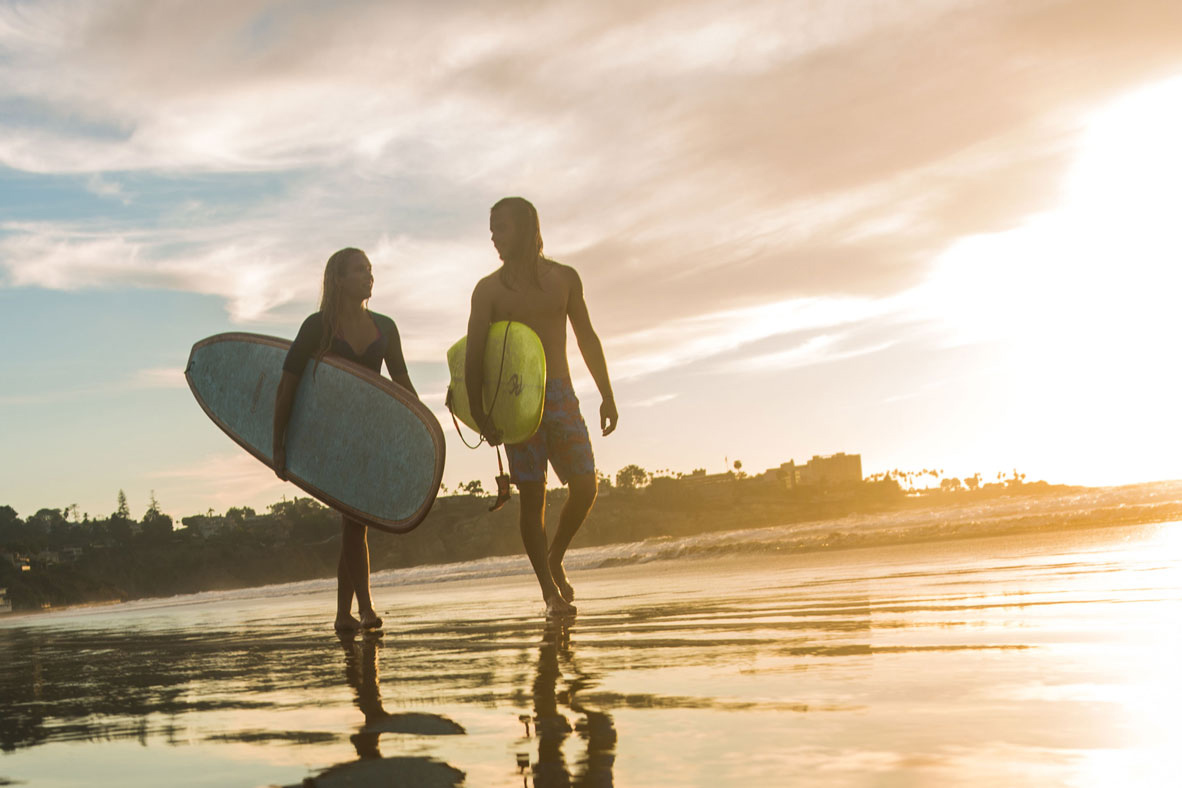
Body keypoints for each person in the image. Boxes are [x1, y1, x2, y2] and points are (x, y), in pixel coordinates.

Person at [465, 197, 617, 617]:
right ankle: (549, 591)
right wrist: (480, 413)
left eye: (501, 227)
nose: (493, 236)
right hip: (516, 402)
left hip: (561, 394)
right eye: (491, 228)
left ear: (528, 227)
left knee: (586, 486)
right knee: (533, 498)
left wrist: (606, 393)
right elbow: (475, 355)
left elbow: (586, 336)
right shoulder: (489, 290)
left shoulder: (564, 279)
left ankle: (555, 556)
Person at [272, 247, 418, 632]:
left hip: (372, 438)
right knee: (355, 522)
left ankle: (342, 615)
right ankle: (366, 608)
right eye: (359, 270)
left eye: (370, 269)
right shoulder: (316, 326)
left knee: (354, 525)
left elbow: (402, 383)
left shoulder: (385, 327)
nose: (369, 276)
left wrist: (423, 431)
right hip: (332, 440)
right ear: (338, 279)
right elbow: (287, 387)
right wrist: (278, 444)